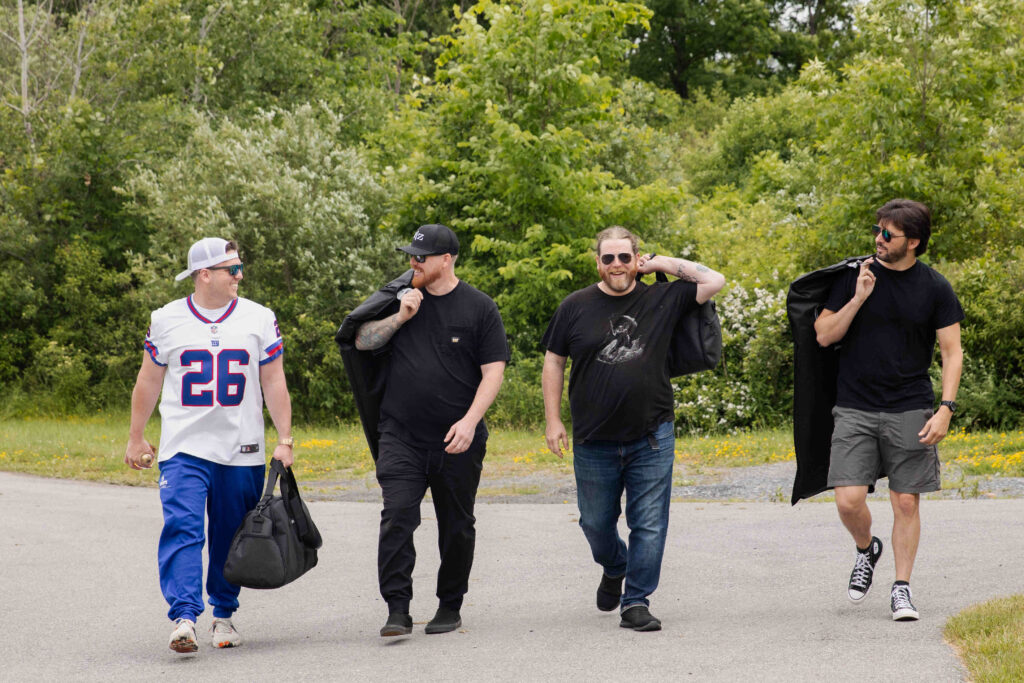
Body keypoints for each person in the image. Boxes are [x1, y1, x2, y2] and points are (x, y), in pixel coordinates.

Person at [542, 225, 725, 631]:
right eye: (608, 258)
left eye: (625, 257)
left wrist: (662, 264)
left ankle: (636, 600)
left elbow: (715, 279)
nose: (617, 265)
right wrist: (554, 420)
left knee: (650, 523)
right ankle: (615, 565)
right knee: (595, 523)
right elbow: (554, 361)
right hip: (593, 439)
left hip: (651, 435)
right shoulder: (575, 306)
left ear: (635, 259)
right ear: (598, 263)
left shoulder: (662, 297)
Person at [124, 237, 294, 652]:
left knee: (228, 534)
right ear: (205, 275)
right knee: (183, 527)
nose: (240, 275)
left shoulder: (259, 317)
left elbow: (273, 381)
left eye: (239, 267)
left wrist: (285, 439)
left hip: (242, 448)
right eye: (231, 269)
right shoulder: (166, 319)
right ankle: (184, 616)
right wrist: (136, 435)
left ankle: (224, 614)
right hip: (184, 446)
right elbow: (149, 379)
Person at [354, 223, 509, 637]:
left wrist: (471, 421)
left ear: (446, 259)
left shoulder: (479, 307)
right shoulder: (399, 299)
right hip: (400, 433)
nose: (413, 262)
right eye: (410, 255)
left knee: (456, 525)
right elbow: (362, 341)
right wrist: (400, 317)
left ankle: (449, 605)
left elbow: (494, 370)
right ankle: (398, 609)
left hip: (457, 437)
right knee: (397, 517)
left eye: (421, 257)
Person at [814, 199, 963, 621]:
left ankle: (902, 588)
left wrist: (945, 409)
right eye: (878, 229)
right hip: (855, 404)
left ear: (913, 242)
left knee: (906, 503)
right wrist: (859, 297)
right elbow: (824, 335)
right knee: (847, 500)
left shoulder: (934, 287)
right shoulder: (853, 276)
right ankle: (866, 549)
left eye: (888, 233)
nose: (878, 239)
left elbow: (952, 353)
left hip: (910, 406)